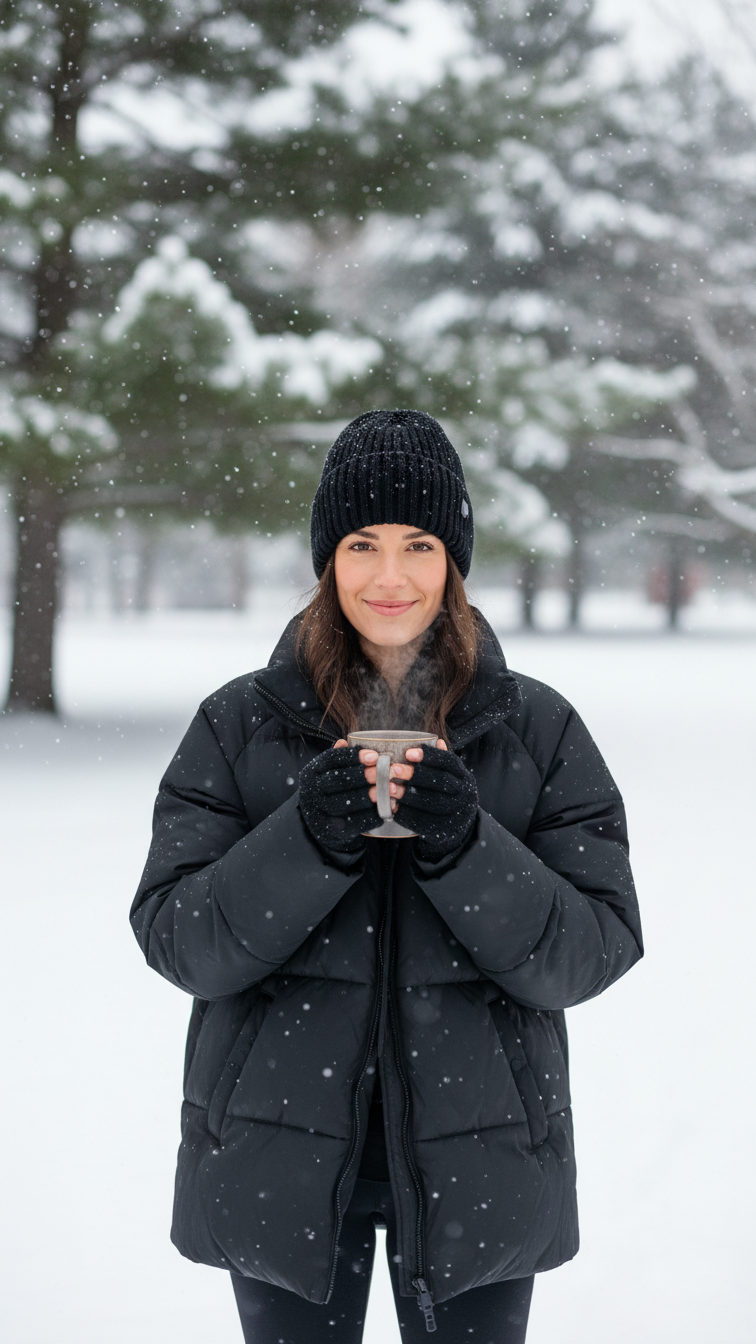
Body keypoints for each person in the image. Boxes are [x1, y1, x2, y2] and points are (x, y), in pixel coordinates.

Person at [131, 409, 642, 1343]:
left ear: (455, 560)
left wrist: (465, 847)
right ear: (328, 558)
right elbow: (178, 939)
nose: (391, 576)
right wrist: (307, 839)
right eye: (362, 544)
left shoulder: (539, 730)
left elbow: (592, 950)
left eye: (420, 543)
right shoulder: (238, 725)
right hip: (274, 1164)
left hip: (480, 1169)